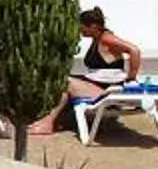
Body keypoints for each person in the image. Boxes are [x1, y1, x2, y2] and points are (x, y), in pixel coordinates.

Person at [27, 7, 140, 136]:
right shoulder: (98, 39)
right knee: (62, 80)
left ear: (93, 26)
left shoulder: (107, 39)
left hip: (106, 92)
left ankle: (47, 123)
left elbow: (134, 50)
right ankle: (50, 121)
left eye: (82, 27)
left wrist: (131, 77)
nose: (80, 30)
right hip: (99, 86)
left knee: (65, 82)